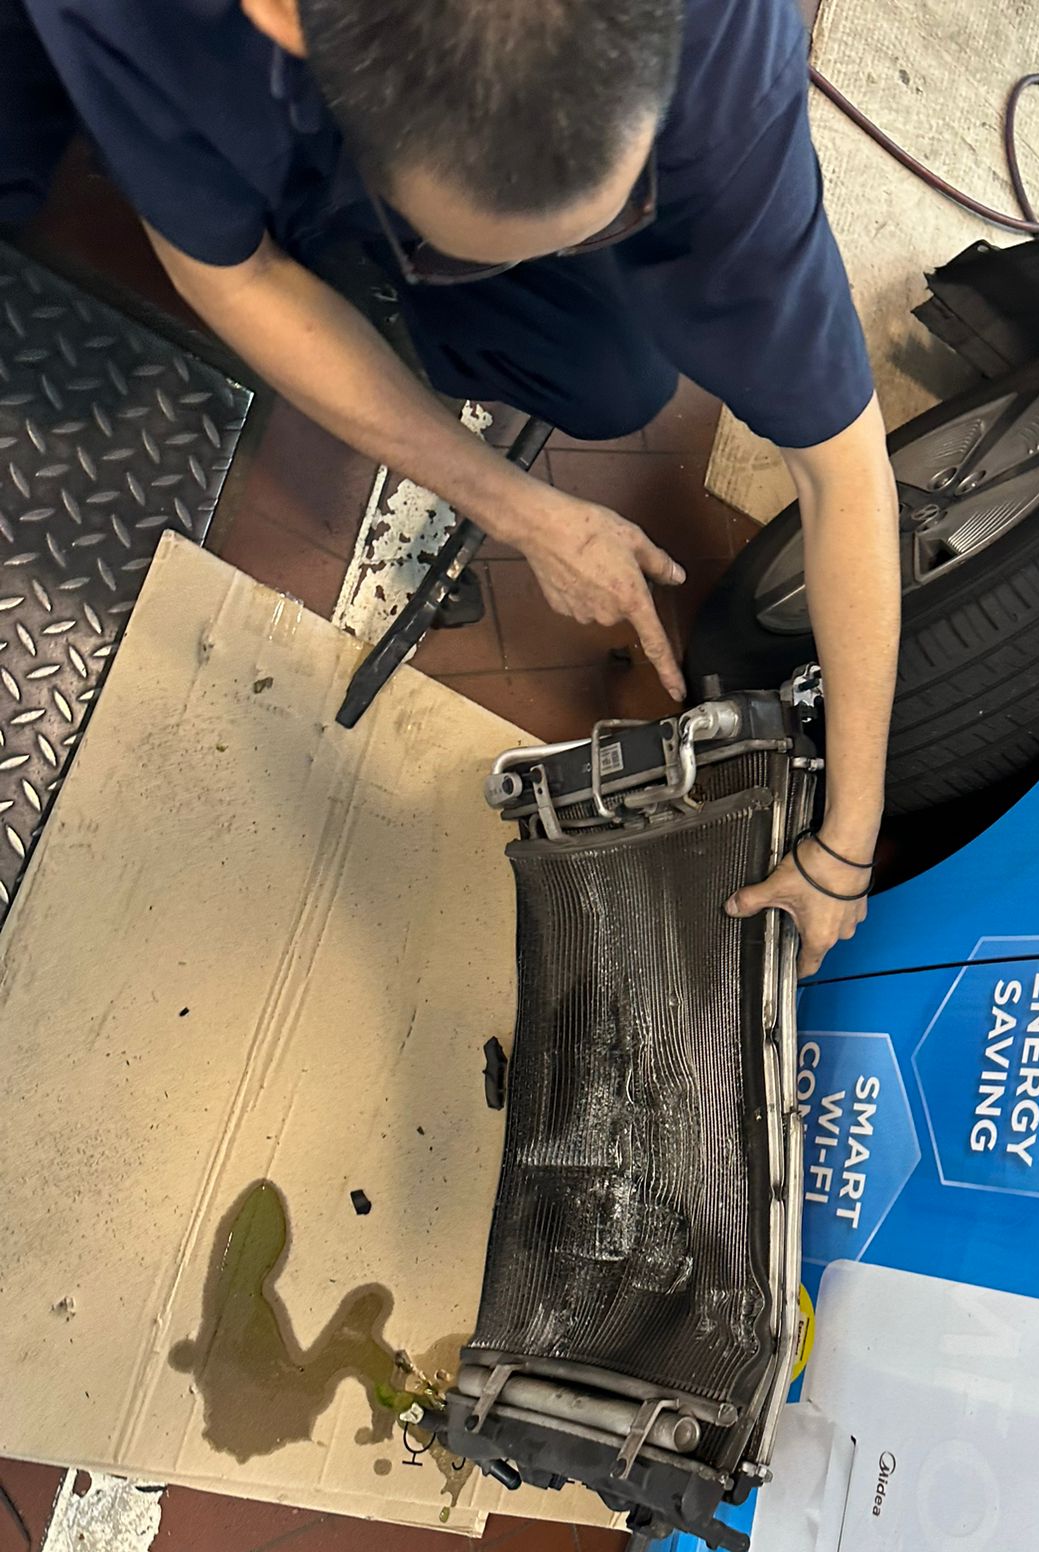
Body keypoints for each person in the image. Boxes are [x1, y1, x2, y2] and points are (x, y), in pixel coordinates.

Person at [6, 0, 900, 972]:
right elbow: (231, 277)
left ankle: (407, 241)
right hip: (174, 51)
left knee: (611, 376)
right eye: (454, 247)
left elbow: (843, 467)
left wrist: (847, 847)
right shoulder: (150, 21)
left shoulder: (726, 50)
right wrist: (520, 510)